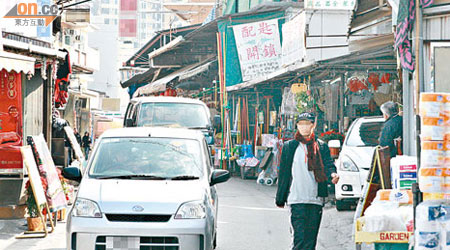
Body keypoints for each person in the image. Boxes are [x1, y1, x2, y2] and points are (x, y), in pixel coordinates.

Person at [276, 112, 339, 250]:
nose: (304, 127)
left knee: (310, 242)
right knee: (299, 239)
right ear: (297, 126)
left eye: (307, 124)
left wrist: (333, 174)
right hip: (297, 199)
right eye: (301, 124)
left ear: (313, 125)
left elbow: (328, 165)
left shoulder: (321, 146)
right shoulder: (290, 147)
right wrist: (280, 198)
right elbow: (284, 174)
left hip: (315, 200)